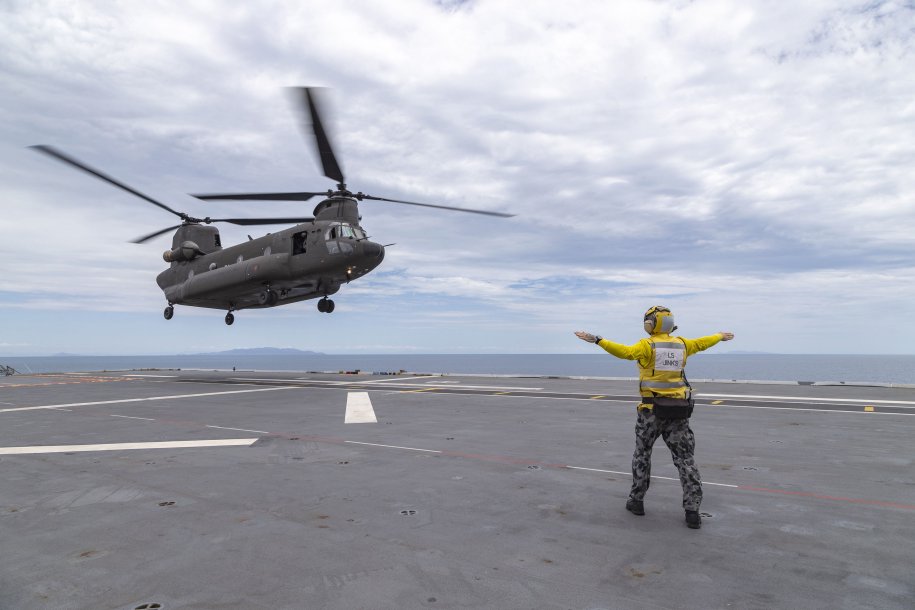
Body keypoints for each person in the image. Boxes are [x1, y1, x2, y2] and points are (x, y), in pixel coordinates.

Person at [575, 306, 734, 529]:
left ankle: (637, 501)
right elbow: (702, 342)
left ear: (651, 325)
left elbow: (624, 352)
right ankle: (692, 511)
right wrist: (719, 336)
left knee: (642, 455)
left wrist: (598, 340)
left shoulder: (646, 345)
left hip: (650, 412)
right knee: (685, 460)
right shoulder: (682, 344)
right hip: (678, 413)